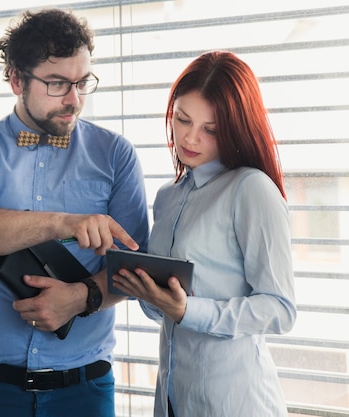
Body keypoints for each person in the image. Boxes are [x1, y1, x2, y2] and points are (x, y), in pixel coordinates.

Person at [0, 8, 149, 417]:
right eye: (57, 83)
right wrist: (62, 223)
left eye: (82, 82)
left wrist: (81, 298)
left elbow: (134, 265)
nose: (74, 99)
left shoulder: (116, 155)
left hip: (84, 390)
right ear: (16, 79)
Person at [111, 51, 297, 417]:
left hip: (235, 403)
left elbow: (280, 309)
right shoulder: (168, 196)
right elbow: (164, 311)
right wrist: (146, 291)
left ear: (233, 128)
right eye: (182, 119)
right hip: (172, 400)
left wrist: (188, 310)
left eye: (209, 129)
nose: (190, 138)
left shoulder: (250, 189)